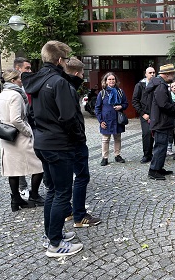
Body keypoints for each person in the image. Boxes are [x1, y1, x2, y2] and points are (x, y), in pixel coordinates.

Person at [22, 40, 84, 258]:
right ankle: (55, 244)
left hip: (43, 143)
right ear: (59, 60)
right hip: (58, 146)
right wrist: (77, 140)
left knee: (52, 191)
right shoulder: (58, 82)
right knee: (61, 193)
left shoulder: (36, 81)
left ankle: (51, 234)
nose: (66, 63)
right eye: (65, 60)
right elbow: (69, 118)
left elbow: (29, 114)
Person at [0, 69, 45, 211]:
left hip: (6, 137)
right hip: (19, 137)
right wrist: (27, 132)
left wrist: (4, 121)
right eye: (19, 78)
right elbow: (16, 119)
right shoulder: (16, 95)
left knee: (13, 169)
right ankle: (34, 195)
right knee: (39, 165)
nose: (22, 80)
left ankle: (16, 199)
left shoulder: (2, 94)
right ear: (13, 81)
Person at [64, 57, 101, 228]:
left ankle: (68, 211)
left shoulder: (55, 85)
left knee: (64, 178)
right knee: (81, 176)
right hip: (72, 142)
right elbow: (70, 118)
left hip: (56, 142)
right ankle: (79, 215)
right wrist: (79, 137)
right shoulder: (68, 88)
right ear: (79, 73)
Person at [145, 64, 175, 180]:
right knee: (160, 146)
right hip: (161, 121)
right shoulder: (160, 85)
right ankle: (154, 171)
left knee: (162, 146)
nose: (173, 76)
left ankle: (158, 168)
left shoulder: (159, 84)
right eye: (172, 74)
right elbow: (163, 104)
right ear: (166, 74)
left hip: (160, 120)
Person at [94, 72, 128, 166]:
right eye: (109, 79)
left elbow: (126, 104)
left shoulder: (120, 92)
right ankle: (105, 158)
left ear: (116, 81)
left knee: (117, 138)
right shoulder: (102, 93)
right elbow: (97, 108)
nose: (111, 81)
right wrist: (100, 120)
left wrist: (121, 106)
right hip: (106, 119)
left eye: (113, 79)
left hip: (117, 119)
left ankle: (117, 155)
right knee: (105, 139)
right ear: (106, 81)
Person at [14, 57, 33, 197]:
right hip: (20, 130)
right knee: (19, 160)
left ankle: (38, 188)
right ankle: (22, 187)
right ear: (18, 69)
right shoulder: (11, 90)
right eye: (26, 68)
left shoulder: (29, 85)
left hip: (32, 125)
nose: (29, 71)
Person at [132, 67, 155, 163]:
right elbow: (135, 101)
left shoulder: (158, 84)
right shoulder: (140, 85)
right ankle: (146, 154)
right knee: (146, 134)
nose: (152, 74)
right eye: (150, 72)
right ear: (145, 74)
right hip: (145, 114)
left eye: (154, 72)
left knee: (155, 134)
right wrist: (142, 114)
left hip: (156, 114)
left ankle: (154, 153)